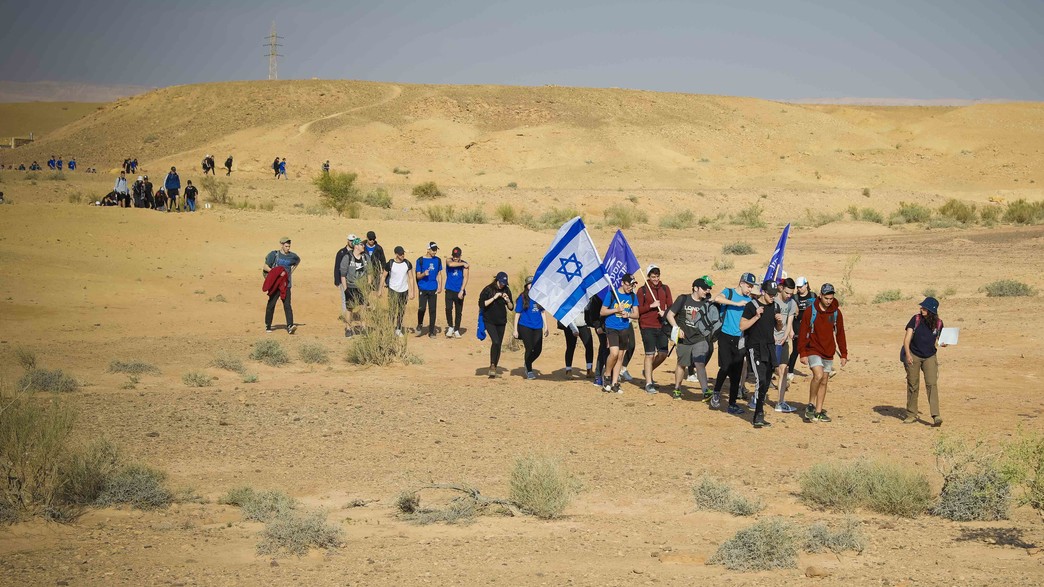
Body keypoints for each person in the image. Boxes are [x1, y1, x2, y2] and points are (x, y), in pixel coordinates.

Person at [797, 283, 848, 423]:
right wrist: (802, 352)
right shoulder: (810, 311)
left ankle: (819, 412)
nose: (829, 301)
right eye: (826, 298)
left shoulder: (835, 312)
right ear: (820, 296)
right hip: (813, 349)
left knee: (824, 380)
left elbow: (840, 333)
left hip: (828, 350)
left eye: (831, 298)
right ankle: (811, 405)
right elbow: (803, 332)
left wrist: (843, 354)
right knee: (818, 375)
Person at [667, 278, 720, 401]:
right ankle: (677, 388)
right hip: (683, 338)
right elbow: (670, 315)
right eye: (704, 289)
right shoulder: (683, 299)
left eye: (708, 289)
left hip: (699, 338)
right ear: (696, 288)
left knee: (699, 362)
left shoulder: (706, 303)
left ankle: (705, 390)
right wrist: (677, 329)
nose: (707, 291)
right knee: (682, 364)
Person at [711, 273, 756, 413]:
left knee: (736, 372)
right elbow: (717, 298)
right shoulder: (729, 292)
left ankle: (732, 404)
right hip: (725, 335)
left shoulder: (750, 301)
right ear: (741, 283)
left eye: (752, 287)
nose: (750, 289)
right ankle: (716, 393)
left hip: (740, 339)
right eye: (748, 286)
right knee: (725, 367)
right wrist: (736, 304)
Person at [740, 280, 780, 428]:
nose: (772, 297)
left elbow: (776, 327)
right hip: (755, 347)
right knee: (761, 380)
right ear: (763, 292)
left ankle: (759, 413)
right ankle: (758, 413)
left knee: (767, 382)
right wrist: (756, 316)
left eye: (774, 295)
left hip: (769, 347)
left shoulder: (775, 306)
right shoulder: (752, 306)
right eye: (770, 294)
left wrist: (780, 322)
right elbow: (742, 326)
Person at [903, 296, 946, 426]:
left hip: (930, 356)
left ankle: (936, 415)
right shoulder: (915, 319)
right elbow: (906, 339)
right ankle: (911, 414)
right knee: (913, 385)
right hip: (914, 355)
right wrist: (908, 354)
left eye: (924, 308)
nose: (921, 309)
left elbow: (939, 340)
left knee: (932, 384)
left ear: (931, 310)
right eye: (922, 307)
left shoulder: (939, 323)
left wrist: (944, 343)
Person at [637, 265, 673, 395]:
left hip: (662, 325)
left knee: (663, 353)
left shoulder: (665, 288)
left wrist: (665, 312)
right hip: (647, 326)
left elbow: (671, 306)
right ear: (648, 277)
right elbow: (638, 310)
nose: (656, 279)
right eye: (653, 277)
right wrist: (650, 306)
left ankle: (647, 370)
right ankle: (648, 383)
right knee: (649, 354)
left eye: (657, 276)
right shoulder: (642, 291)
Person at [600, 274, 639, 394]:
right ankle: (607, 375)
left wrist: (628, 315)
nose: (630, 287)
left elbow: (636, 315)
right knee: (614, 353)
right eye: (628, 285)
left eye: (632, 285)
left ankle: (615, 383)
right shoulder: (612, 294)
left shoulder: (632, 296)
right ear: (622, 283)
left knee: (620, 356)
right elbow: (602, 311)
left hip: (624, 328)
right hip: (612, 327)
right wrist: (616, 310)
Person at [512, 276, 549, 379]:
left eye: (533, 283)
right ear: (526, 286)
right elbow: (517, 314)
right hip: (525, 326)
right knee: (529, 348)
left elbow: (542, 312)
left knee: (538, 349)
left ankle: (527, 362)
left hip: (537, 326)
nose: (531, 285)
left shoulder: (539, 297)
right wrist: (515, 329)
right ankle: (529, 370)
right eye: (529, 284)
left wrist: (546, 327)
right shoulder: (522, 297)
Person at [263, 237, 301, 334]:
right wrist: (276, 273)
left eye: (289, 246)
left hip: (286, 284)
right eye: (286, 246)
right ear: (282, 245)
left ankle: (290, 326)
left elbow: (297, 261)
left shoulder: (292, 256)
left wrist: (290, 272)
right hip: (275, 284)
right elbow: (265, 267)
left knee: (287, 305)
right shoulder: (274, 254)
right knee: (271, 304)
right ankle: (268, 325)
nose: (288, 248)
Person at [479, 272, 513, 378]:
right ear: (497, 280)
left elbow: (511, 307)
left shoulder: (506, 290)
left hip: (501, 321)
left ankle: (494, 367)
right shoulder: (488, 289)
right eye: (502, 283)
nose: (503, 285)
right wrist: (495, 297)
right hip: (489, 320)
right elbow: (482, 304)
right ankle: (492, 365)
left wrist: (507, 300)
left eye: (505, 283)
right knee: (495, 341)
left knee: (499, 344)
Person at [773, 277, 799, 413]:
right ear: (782, 288)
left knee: (783, 370)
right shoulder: (772, 300)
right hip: (770, 341)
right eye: (787, 292)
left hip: (783, 341)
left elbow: (790, 322)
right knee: (768, 372)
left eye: (791, 293)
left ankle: (780, 402)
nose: (789, 295)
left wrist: (785, 336)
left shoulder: (792, 303)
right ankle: (756, 397)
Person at [787, 276, 816, 381]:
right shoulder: (794, 298)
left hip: (810, 326)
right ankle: (789, 371)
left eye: (801, 286)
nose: (799, 289)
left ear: (806, 285)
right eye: (797, 287)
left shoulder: (813, 296)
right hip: (797, 326)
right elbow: (790, 314)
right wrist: (791, 330)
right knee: (796, 350)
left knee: (812, 349)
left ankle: (815, 370)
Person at [339, 236, 370, 337]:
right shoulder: (347, 257)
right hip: (351, 286)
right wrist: (345, 289)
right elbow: (343, 275)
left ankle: (364, 327)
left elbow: (370, 272)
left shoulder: (365, 257)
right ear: (356, 246)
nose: (363, 246)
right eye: (361, 244)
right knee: (349, 308)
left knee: (364, 307)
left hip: (362, 286)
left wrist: (369, 285)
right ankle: (348, 328)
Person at [383, 246, 416, 336]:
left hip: (404, 290)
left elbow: (411, 278)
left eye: (403, 254)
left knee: (401, 310)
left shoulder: (407, 263)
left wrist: (412, 291)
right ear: (396, 254)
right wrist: (379, 289)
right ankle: (390, 328)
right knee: (392, 310)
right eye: (401, 254)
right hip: (393, 290)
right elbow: (383, 276)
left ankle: (398, 328)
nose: (403, 255)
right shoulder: (390, 263)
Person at [415, 242, 443, 337]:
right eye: (433, 250)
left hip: (433, 288)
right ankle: (420, 324)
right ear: (428, 249)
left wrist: (440, 286)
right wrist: (424, 274)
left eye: (435, 250)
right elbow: (418, 276)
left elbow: (439, 274)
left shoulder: (438, 260)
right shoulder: (420, 260)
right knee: (422, 308)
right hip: (423, 287)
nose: (435, 252)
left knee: (433, 310)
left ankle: (431, 331)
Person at [444, 246, 469, 338]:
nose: (455, 258)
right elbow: (450, 264)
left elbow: (465, 277)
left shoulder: (464, 265)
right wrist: (462, 264)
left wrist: (462, 290)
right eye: (454, 256)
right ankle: (450, 326)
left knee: (458, 311)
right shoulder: (449, 260)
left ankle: (457, 329)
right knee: (448, 309)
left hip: (459, 291)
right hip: (449, 289)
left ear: (460, 255)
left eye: (457, 256)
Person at [334, 234, 355, 314]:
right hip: (343, 279)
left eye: (353, 241)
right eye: (351, 241)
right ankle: (345, 315)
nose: (352, 242)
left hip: (353, 279)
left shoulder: (356, 252)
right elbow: (337, 266)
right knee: (344, 297)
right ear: (347, 241)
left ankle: (350, 314)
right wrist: (337, 280)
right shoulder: (341, 252)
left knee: (353, 298)